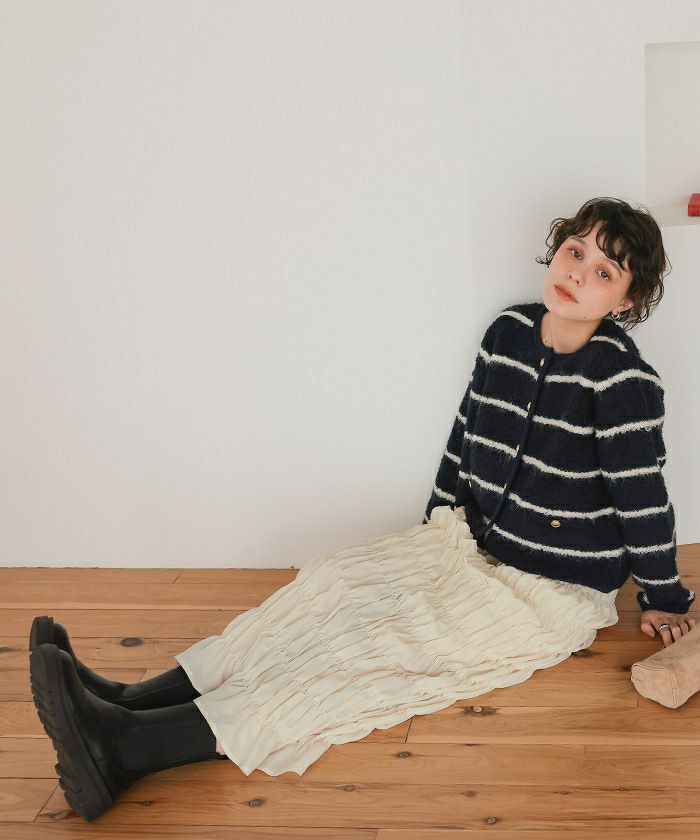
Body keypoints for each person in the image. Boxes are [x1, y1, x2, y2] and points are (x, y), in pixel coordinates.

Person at [29, 196, 695, 824]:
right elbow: (466, 431)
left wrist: (663, 597)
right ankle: (129, 700)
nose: (578, 273)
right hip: (470, 544)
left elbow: (642, 497)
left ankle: (126, 749)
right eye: (575, 252)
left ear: (625, 301)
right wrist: (438, 520)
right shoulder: (508, 332)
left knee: (371, 656)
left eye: (604, 272)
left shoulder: (622, 383)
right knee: (331, 588)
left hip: (548, 589)